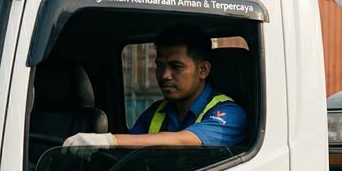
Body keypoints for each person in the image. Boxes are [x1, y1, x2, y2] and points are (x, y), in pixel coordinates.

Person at [62, 25, 247, 149]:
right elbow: (128, 152)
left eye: (176, 66)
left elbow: (183, 140)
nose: (165, 75)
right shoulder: (155, 113)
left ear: (203, 70)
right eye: (159, 65)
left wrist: (110, 140)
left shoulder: (229, 114)